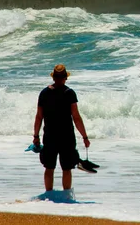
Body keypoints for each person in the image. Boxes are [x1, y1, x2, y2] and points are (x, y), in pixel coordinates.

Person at [33, 64, 90, 192]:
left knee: (49, 167)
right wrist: (85, 137)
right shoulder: (69, 93)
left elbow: (39, 117)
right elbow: (76, 117)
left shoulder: (44, 93)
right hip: (66, 137)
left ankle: (49, 195)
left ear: (54, 77)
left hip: (50, 136)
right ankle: (66, 196)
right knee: (67, 168)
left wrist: (36, 136)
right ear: (65, 78)